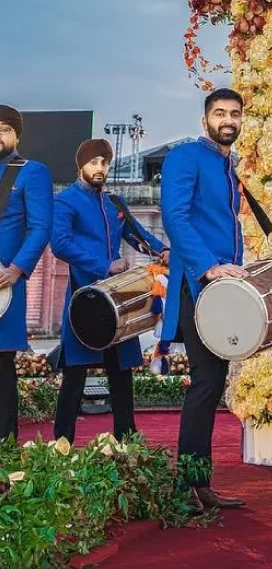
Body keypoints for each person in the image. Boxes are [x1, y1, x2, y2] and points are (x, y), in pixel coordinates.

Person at [161, 89, 249, 510]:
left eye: (234, 114)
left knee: (212, 382)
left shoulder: (229, 166)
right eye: (219, 113)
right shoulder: (186, 156)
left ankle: (200, 484)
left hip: (222, 288)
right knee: (205, 382)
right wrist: (209, 267)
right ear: (205, 120)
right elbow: (174, 217)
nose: (227, 120)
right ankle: (187, 486)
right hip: (198, 284)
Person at [51, 139, 168, 444]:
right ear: (81, 165)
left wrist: (163, 251)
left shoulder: (115, 202)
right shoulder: (66, 201)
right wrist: (105, 265)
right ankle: (61, 445)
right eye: (94, 163)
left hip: (117, 299)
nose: (100, 168)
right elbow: (60, 244)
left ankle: (127, 443)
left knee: (121, 372)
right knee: (75, 374)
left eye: (104, 162)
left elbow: (137, 234)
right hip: (85, 297)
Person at [0, 105, 53, 441]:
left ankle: (4, 446)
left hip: (4, 283)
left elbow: (40, 227)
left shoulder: (31, 172)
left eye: (4, 129)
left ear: (17, 136)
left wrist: (17, 268)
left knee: (0, 365)